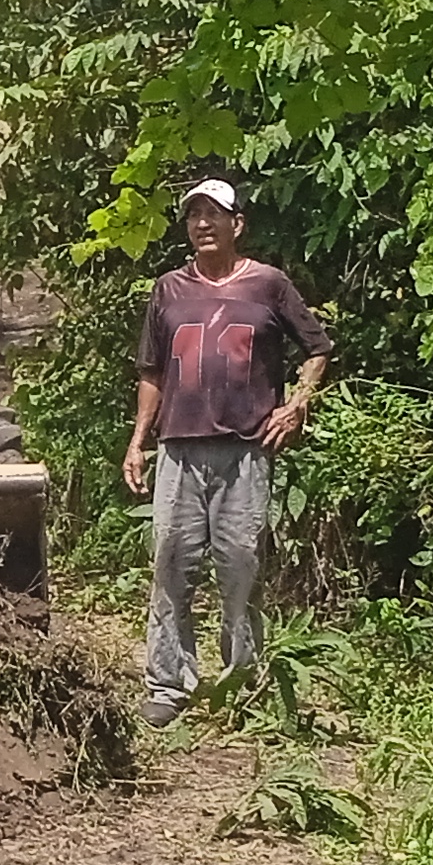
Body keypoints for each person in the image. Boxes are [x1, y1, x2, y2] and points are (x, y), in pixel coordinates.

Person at [120, 178, 331, 725]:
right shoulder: (169, 289)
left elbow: (317, 349)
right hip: (179, 449)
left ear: (237, 224)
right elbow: (151, 372)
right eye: (194, 215)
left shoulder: (268, 284)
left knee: (241, 566)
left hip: (246, 451)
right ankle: (168, 685)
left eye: (214, 214)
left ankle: (242, 680)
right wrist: (138, 442)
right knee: (171, 565)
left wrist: (296, 404)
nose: (202, 224)